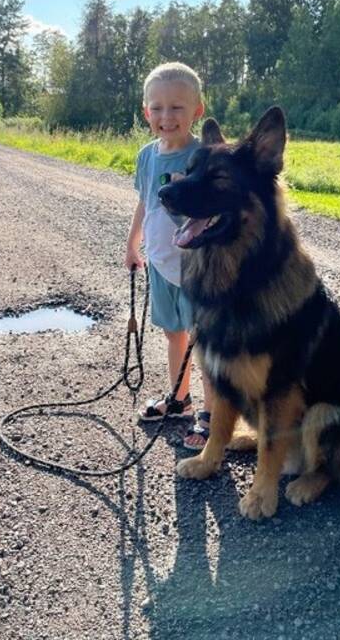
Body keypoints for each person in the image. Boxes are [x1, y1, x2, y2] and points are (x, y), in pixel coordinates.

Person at [125, 62, 213, 451]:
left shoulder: (203, 157)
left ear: (197, 110)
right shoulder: (146, 156)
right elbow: (144, 202)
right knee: (173, 333)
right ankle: (180, 398)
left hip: (199, 268)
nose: (166, 116)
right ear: (146, 112)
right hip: (160, 263)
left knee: (205, 340)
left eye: (177, 107)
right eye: (157, 108)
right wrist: (133, 244)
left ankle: (212, 413)